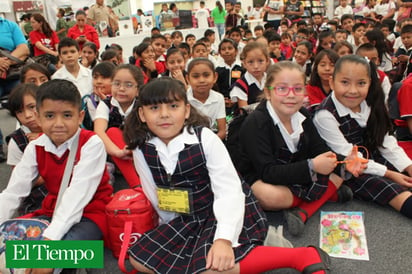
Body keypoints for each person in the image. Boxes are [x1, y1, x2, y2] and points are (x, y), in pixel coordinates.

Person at [122, 77, 332, 274]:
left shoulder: (205, 138)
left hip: (222, 210)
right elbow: (154, 191)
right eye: (154, 108)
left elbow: (229, 192)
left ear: (186, 110)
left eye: (173, 106)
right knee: (138, 259)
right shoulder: (142, 148)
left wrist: (223, 239)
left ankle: (299, 256)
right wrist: (170, 227)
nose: (164, 114)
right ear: (142, 114)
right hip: (186, 217)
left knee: (212, 268)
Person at [0, 80, 113, 262]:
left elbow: (78, 194)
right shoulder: (35, 147)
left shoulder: (92, 143)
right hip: (52, 209)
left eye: (67, 115)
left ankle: (84, 258)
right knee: (10, 249)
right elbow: (13, 192)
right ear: (38, 116)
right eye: (50, 116)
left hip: (91, 212)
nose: (58, 123)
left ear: (80, 116)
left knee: (44, 259)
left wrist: (50, 238)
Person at [238, 62, 354, 236]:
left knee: (341, 171)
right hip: (263, 176)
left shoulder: (303, 115)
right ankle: (324, 195)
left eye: (298, 89)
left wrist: (344, 163)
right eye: (282, 89)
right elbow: (267, 172)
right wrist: (312, 166)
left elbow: (320, 149)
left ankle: (304, 209)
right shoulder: (256, 122)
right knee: (267, 195)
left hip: (293, 171)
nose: (291, 95)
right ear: (268, 92)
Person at [313, 55, 412, 220]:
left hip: (372, 156)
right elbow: (349, 157)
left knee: (405, 173)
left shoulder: (370, 104)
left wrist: (408, 166)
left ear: (369, 84)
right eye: (345, 82)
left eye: (361, 83)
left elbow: (385, 140)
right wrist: (389, 174)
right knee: (391, 190)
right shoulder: (325, 115)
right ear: (331, 82)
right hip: (350, 167)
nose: (353, 90)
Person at [94, 64, 144, 188]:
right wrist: (118, 152)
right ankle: (137, 186)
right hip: (114, 153)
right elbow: (99, 131)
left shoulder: (142, 106)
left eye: (128, 85)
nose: (121, 89)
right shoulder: (106, 105)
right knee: (112, 132)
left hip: (139, 150)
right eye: (116, 84)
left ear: (138, 89)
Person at [186, 58, 226, 140]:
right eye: (195, 76)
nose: (201, 80)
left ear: (215, 77)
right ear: (188, 79)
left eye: (206, 75)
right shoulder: (183, 99)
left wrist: (208, 144)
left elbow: (222, 131)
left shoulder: (219, 98)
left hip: (211, 140)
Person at [230, 42, 270, 108]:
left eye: (260, 61)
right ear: (244, 63)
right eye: (250, 62)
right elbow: (245, 111)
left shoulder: (271, 80)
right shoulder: (241, 86)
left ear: (267, 61)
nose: (256, 66)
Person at [0, 17, 30, 97]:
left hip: (13, 75)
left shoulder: (10, 25)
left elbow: (24, 49)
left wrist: (6, 62)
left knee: (28, 94)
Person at [82, 61, 116, 130]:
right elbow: (99, 125)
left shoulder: (120, 98)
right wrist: (104, 103)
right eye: (95, 78)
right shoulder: (91, 100)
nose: (99, 81)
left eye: (104, 78)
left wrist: (107, 102)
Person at [215, 38, 245, 114]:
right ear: (220, 53)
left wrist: (235, 100)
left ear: (236, 51)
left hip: (239, 101)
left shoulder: (242, 68)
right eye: (223, 49)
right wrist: (223, 99)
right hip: (222, 102)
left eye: (230, 48)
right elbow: (216, 87)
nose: (227, 51)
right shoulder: (218, 70)